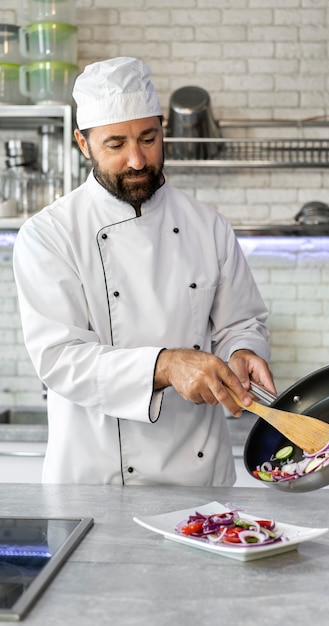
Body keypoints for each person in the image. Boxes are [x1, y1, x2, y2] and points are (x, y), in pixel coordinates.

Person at [13, 57, 275, 486]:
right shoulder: (49, 235)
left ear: (162, 127)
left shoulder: (207, 226)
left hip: (199, 479)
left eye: (148, 138)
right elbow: (61, 358)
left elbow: (241, 322)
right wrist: (167, 365)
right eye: (116, 144)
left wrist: (242, 351)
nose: (137, 159)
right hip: (97, 483)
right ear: (83, 143)